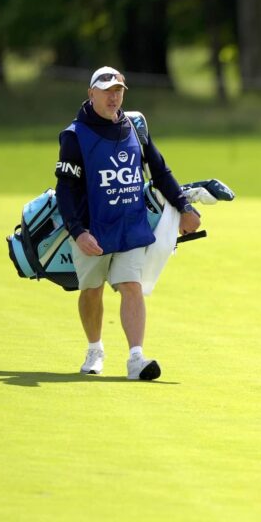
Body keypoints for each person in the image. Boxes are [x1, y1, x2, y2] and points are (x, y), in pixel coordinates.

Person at [54, 66, 201, 380]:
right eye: (107, 90)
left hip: (131, 227)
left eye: (119, 90)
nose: (114, 96)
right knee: (92, 291)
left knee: (132, 287)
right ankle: (94, 350)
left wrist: (184, 207)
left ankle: (136, 359)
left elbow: (160, 171)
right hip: (93, 229)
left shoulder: (135, 126)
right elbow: (65, 189)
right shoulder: (74, 135)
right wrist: (78, 233)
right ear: (91, 93)